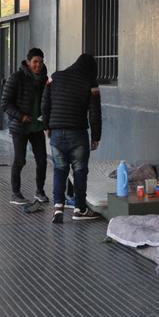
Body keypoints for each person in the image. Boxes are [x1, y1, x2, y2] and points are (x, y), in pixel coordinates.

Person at [40, 53, 102, 222]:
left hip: (56, 133)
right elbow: (95, 113)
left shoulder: (55, 77)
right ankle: (80, 209)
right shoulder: (91, 83)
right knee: (80, 172)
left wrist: (46, 126)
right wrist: (96, 136)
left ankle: (58, 208)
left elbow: (45, 103)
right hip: (77, 134)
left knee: (60, 170)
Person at [1, 48, 50, 205]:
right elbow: (5, 103)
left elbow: (47, 102)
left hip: (37, 127)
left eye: (40, 62)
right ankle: (15, 193)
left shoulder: (45, 79)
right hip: (20, 127)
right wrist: (21, 116)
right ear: (28, 62)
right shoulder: (16, 78)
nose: (38, 65)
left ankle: (40, 191)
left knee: (42, 160)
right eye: (35, 62)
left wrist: (47, 123)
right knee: (20, 160)